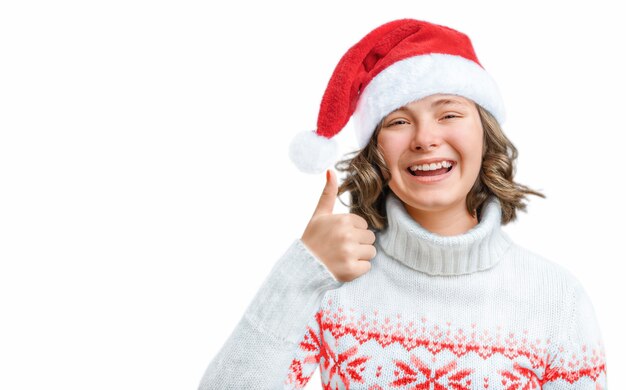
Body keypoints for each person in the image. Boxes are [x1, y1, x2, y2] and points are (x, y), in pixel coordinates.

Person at [198, 19, 608, 389]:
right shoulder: (329, 289)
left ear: (486, 137)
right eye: (398, 121)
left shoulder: (558, 302)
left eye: (449, 114)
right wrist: (300, 271)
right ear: (376, 151)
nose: (424, 138)